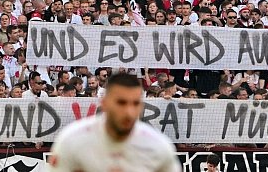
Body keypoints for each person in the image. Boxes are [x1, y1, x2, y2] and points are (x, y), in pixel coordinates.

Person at [49, 72, 180, 171]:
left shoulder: (159, 147)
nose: (129, 112)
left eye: (135, 104)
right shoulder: (72, 140)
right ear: (105, 103)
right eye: (121, 103)